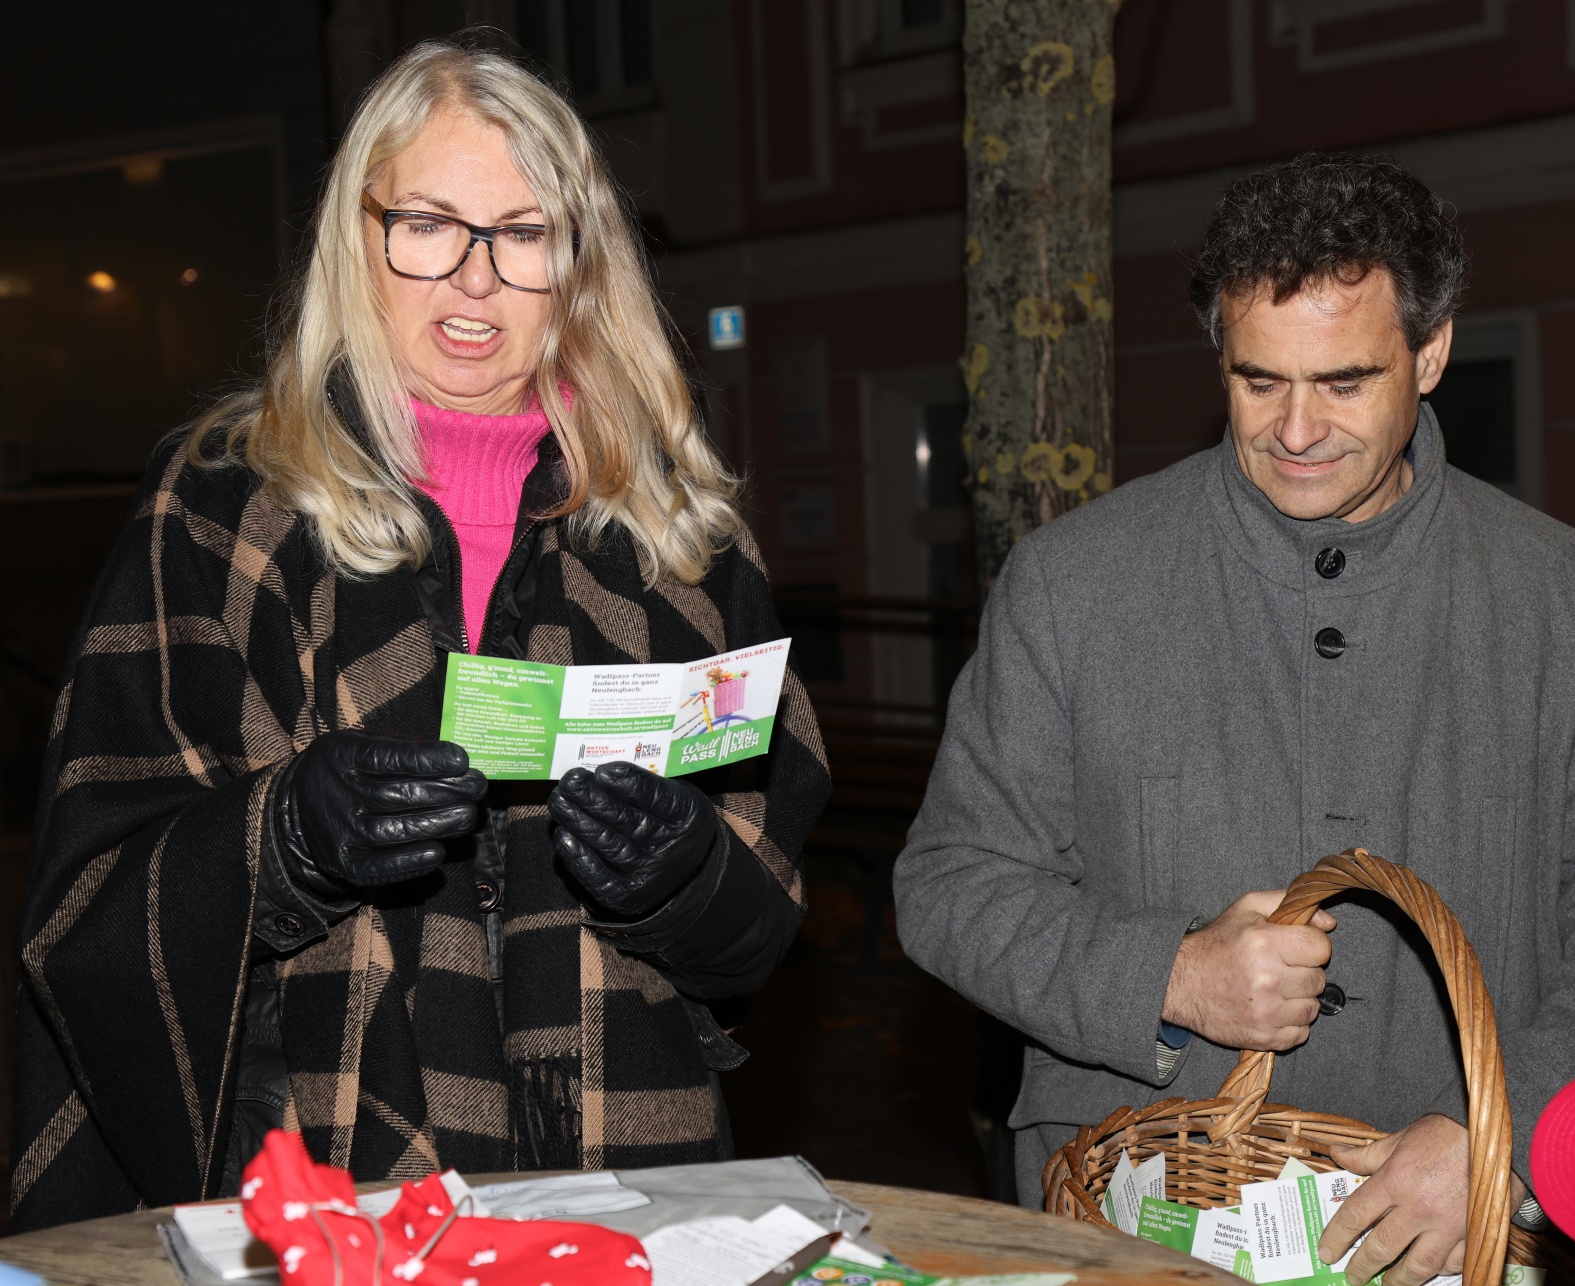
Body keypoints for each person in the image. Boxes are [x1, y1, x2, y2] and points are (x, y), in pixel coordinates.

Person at [10, 40, 828, 1231]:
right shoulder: (225, 505)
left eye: (523, 232)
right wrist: (279, 838)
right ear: (360, 236)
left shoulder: (681, 535)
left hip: (633, 1187)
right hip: (320, 1184)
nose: (476, 278)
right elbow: (88, 899)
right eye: (430, 225)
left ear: (578, 262)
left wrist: (688, 876)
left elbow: (757, 930)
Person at [895, 152, 1573, 1286]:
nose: (1296, 429)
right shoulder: (1074, 582)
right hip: (1131, 1221)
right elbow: (949, 882)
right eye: (1259, 382)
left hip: (1452, 1238)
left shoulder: (1554, 596)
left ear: (1432, 352)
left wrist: (1501, 1145)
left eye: (1343, 382)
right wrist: (1165, 975)